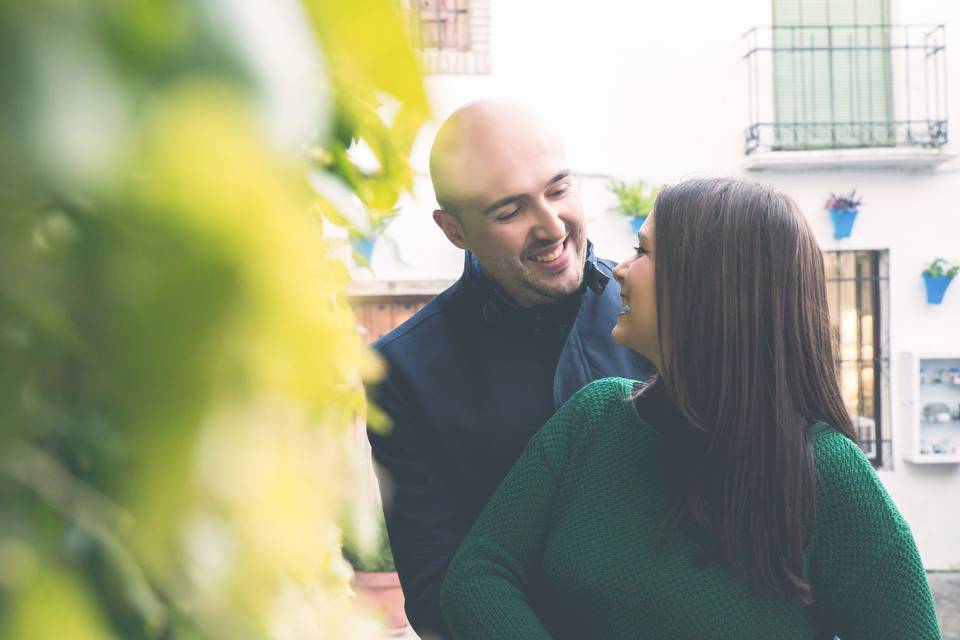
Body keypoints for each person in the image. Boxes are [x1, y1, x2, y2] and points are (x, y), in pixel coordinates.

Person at [439, 178, 941, 639]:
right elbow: (479, 575)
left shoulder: (828, 476)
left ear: (711, 285)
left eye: (644, 251)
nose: (620, 269)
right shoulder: (591, 419)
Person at [367, 100, 653, 639]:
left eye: (559, 188)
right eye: (509, 211)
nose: (551, 226)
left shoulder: (663, 308)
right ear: (454, 230)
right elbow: (437, 595)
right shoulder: (402, 371)